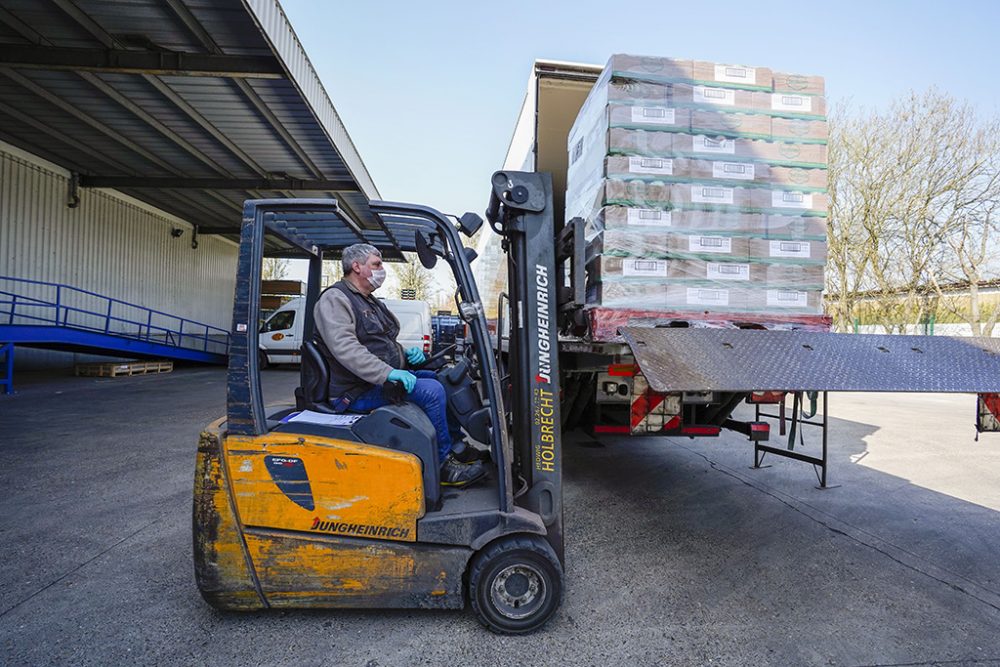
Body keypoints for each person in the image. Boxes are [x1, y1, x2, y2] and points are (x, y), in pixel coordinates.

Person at [313, 243, 486, 487]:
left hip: (376, 380)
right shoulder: (335, 299)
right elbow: (346, 349)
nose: (381, 269)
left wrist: (405, 354)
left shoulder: (370, 302)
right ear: (356, 266)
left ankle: (456, 446)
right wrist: (389, 372)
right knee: (432, 391)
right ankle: (442, 465)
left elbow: (381, 344)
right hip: (355, 391)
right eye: (376, 264)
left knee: (444, 379)